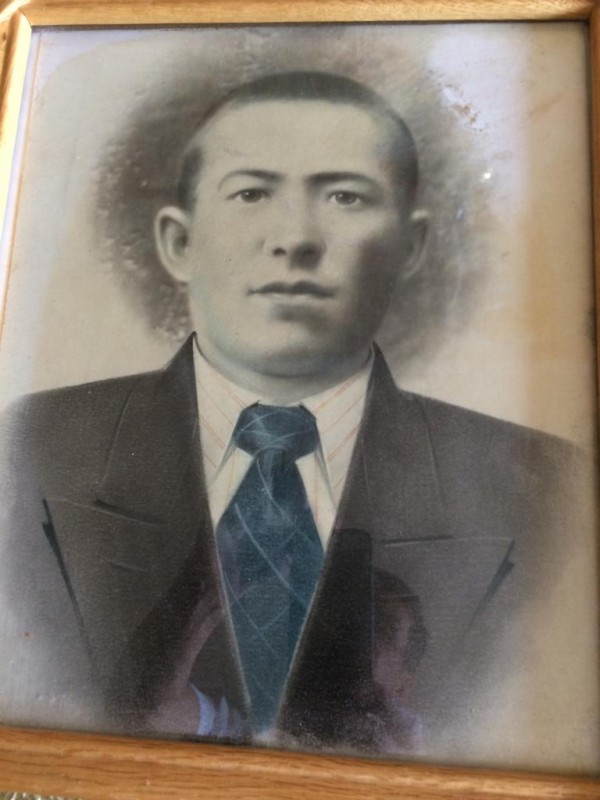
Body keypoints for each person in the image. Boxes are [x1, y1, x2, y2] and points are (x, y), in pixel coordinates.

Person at [0, 71, 583, 758]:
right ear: (179, 242)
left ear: (409, 245)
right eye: (251, 192)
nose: (296, 239)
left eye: (345, 196)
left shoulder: (548, 484)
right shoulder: (34, 442)